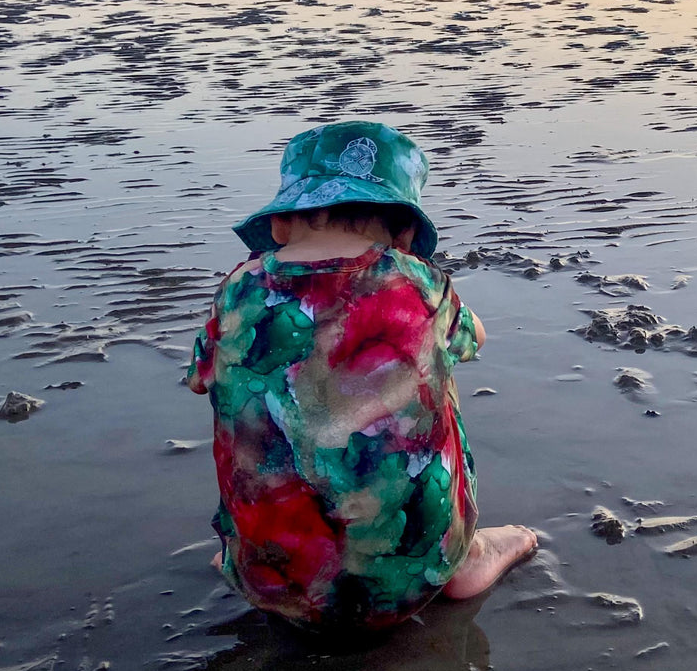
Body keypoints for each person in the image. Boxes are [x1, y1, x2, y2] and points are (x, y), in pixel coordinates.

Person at [186, 121, 536, 630]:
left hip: (270, 582)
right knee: (432, 374)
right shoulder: (419, 284)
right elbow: (475, 338)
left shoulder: (237, 287)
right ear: (407, 234)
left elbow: (200, 377)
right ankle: (464, 554)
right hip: (414, 576)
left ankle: (248, 558)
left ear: (280, 227)